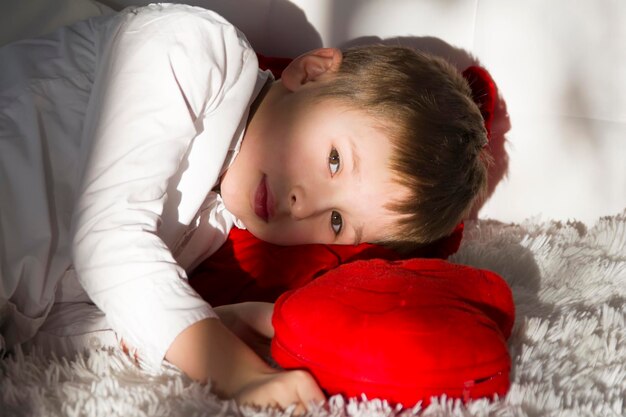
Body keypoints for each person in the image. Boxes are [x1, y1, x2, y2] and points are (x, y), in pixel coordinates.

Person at [0, 3, 488, 412]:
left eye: (337, 221)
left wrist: (217, 324)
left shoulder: (212, 221)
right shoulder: (196, 51)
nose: (303, 206)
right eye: (335, 161)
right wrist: (235, 371)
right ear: (310, 72)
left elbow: (50, 324)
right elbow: (106, 241)